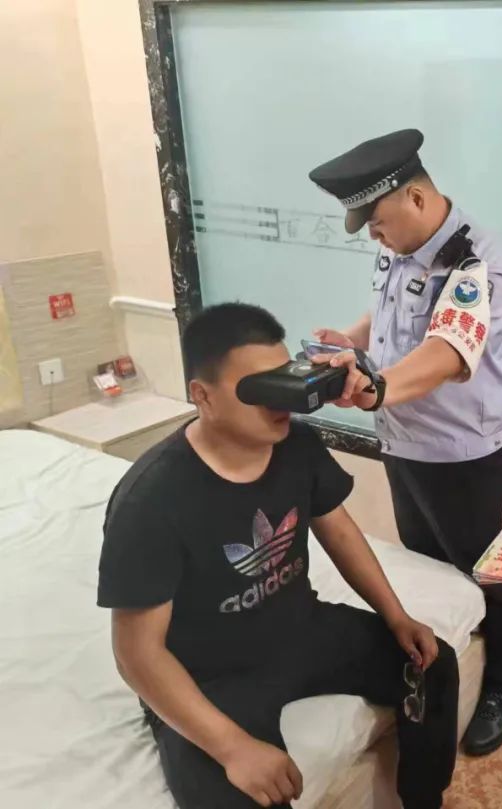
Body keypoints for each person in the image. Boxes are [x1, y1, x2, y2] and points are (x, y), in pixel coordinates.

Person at [97, 303, 459, 809]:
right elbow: (137, 654)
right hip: (210, 675)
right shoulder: (152, 500)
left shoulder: (297, 446)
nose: (281, 401)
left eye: (283, 380)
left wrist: (396, 616)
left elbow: (341, 533)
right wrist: (233, 747)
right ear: (202, 395)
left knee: (431, 665)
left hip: (298, 629)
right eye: (257, 388)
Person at [308, 129, 502, 755]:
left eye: (377, 222)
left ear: (417, 198)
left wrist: (375, 388)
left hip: (459, 451)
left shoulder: (473, 261)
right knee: (425, 563)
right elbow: (388, 314)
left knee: (485, 571)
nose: (374, 236)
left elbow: (447, 351)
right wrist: (350, 341)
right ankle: (453, 656)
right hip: (404, 441)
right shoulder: (403, 246)